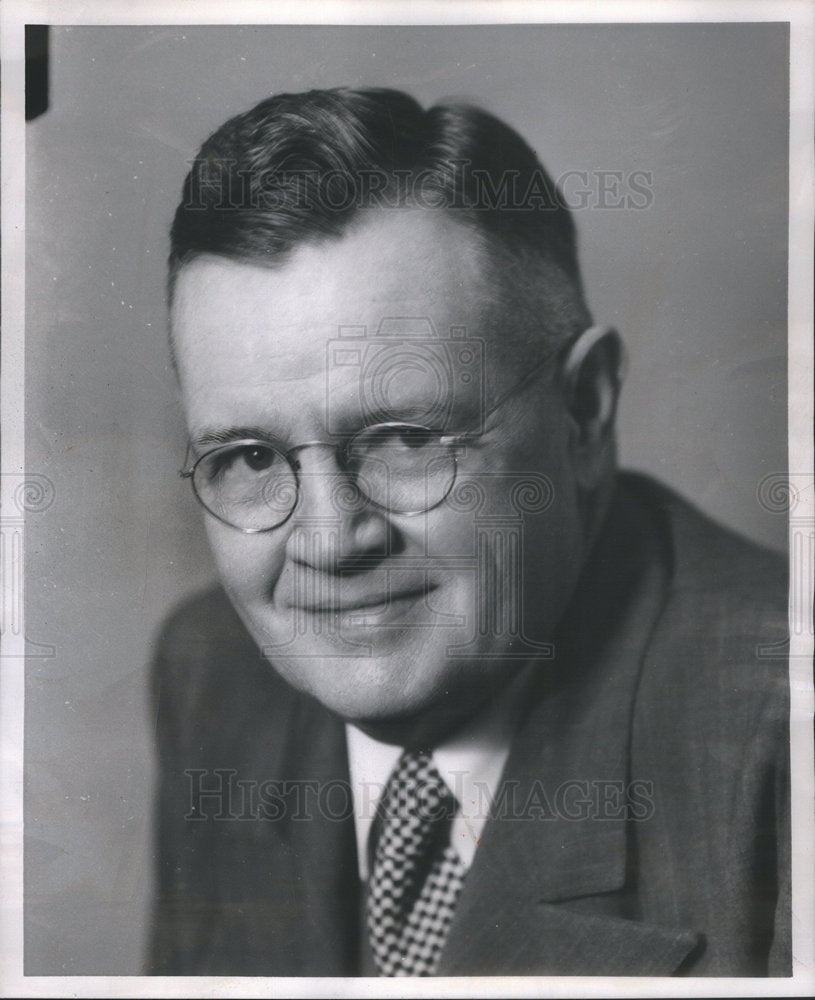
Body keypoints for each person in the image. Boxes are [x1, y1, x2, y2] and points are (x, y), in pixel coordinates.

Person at [148, 87, 790, 977]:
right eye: (252, 460)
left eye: (406, 440)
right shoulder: (207, 675)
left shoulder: (782, 754)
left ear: (583, 412)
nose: (331, 543)